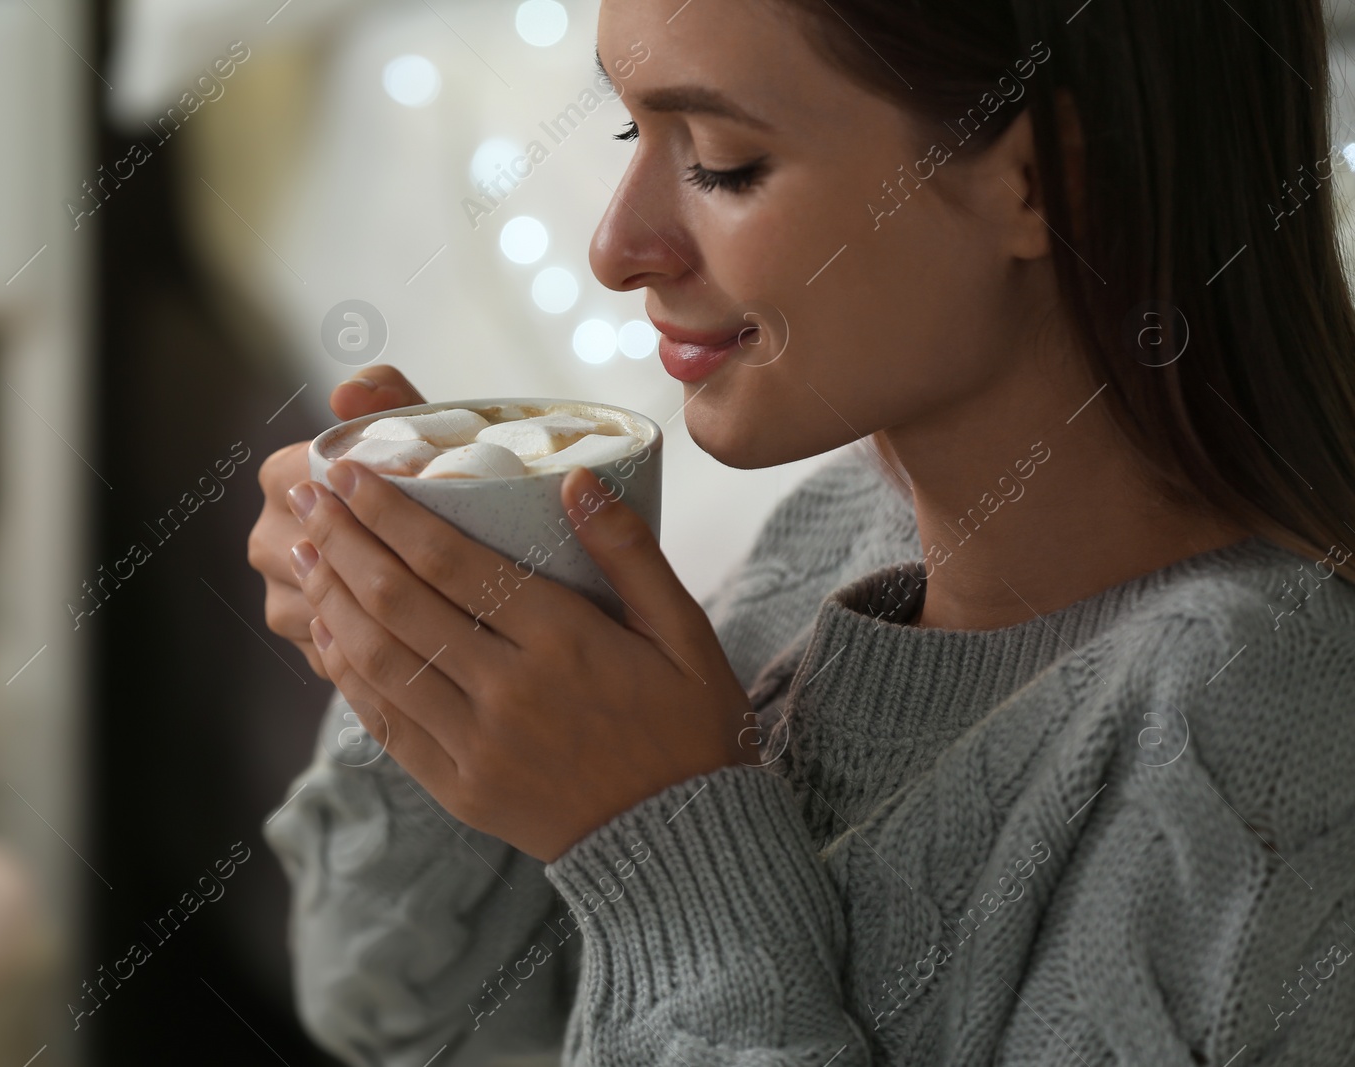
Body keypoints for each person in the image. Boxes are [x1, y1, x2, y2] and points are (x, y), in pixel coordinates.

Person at [248, 0, 1355, 1063]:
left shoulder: (1256, 729)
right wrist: (425, 641)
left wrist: (664, 845)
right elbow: (396, 1009)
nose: (615, 246)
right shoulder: (835, 534)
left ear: (1046, 180)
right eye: (634, 130)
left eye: (723, 160)